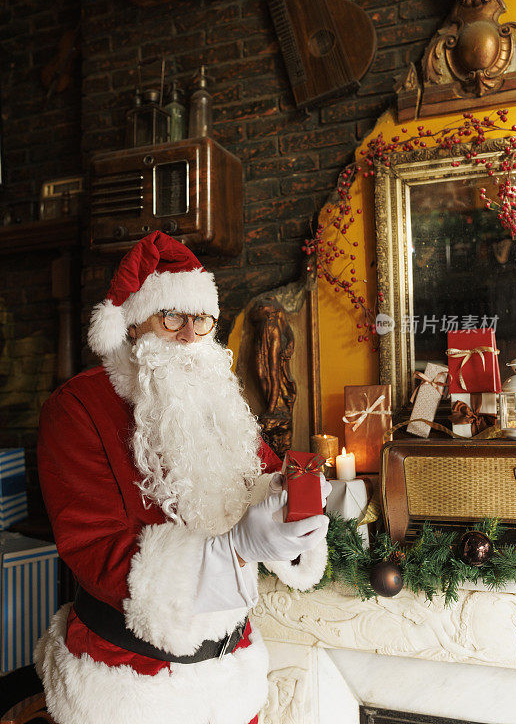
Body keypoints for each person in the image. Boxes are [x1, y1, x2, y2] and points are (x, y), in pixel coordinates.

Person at [35, 231, 330, 724]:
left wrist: (311, 501)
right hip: (127, 685)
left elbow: (264, 480)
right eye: (171, 317)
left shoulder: (216, 398)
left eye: (201, 318)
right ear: (132, 326)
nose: (191, 335)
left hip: (231, 674)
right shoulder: (76, 409)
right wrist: (234, 548)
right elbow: (95, 550)